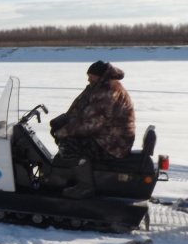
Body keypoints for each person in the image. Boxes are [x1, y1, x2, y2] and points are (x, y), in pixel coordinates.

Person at [49, 60, 135, 199]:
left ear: (101, 76)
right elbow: (78, 109)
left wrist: (63, 132)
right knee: (66, 141)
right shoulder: (96, 87)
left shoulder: (108, 91)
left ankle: (85, 188)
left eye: (91, 75)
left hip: (113, 142)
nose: (88, 78)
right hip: (105, 136)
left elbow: (92, 123)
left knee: (68, 145)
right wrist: (63, 120)